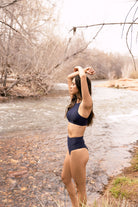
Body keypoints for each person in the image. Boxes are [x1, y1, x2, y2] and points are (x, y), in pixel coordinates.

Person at [61, 66, 95, 207]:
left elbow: (81, 78)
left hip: (78, 150)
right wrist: (81, 72)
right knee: (65, 178)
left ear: (81, 86)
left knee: (81, 188)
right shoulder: (75, 101)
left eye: (74, 85)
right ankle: (75, 205)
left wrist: (82, 70)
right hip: (71, 148)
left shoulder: (87, 104)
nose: (71, 86)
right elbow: (69, 77)